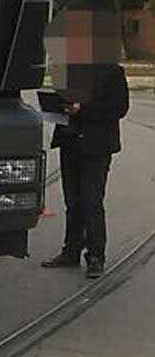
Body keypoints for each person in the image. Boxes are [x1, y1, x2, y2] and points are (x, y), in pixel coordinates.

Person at [41, 62, 130, 278]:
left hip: (97, 145)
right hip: (70, 141)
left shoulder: (112, 72)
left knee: (91, 201)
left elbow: (119, 108)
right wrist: (56, 107)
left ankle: (96, 256)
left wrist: (83, 109)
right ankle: (71, 251)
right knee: (72, 201)